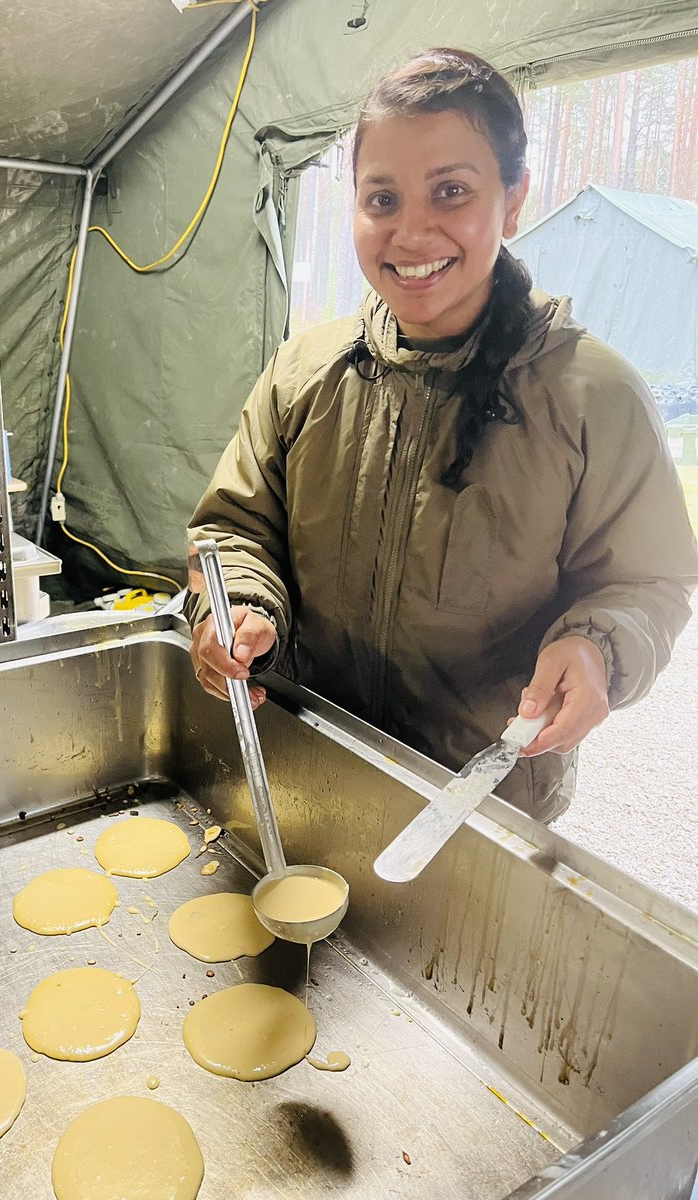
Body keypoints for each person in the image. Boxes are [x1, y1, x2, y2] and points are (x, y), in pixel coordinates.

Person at [185, 48, 698, 822]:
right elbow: (234, 528)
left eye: (451, 191)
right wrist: (240, 611)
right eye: (381, 198)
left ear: (514, 200)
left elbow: (648, 583)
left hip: (481, 796)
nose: (411, 232)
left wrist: (597, 647)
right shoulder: (305, 372)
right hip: (312, 754)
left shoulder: (594, 397)